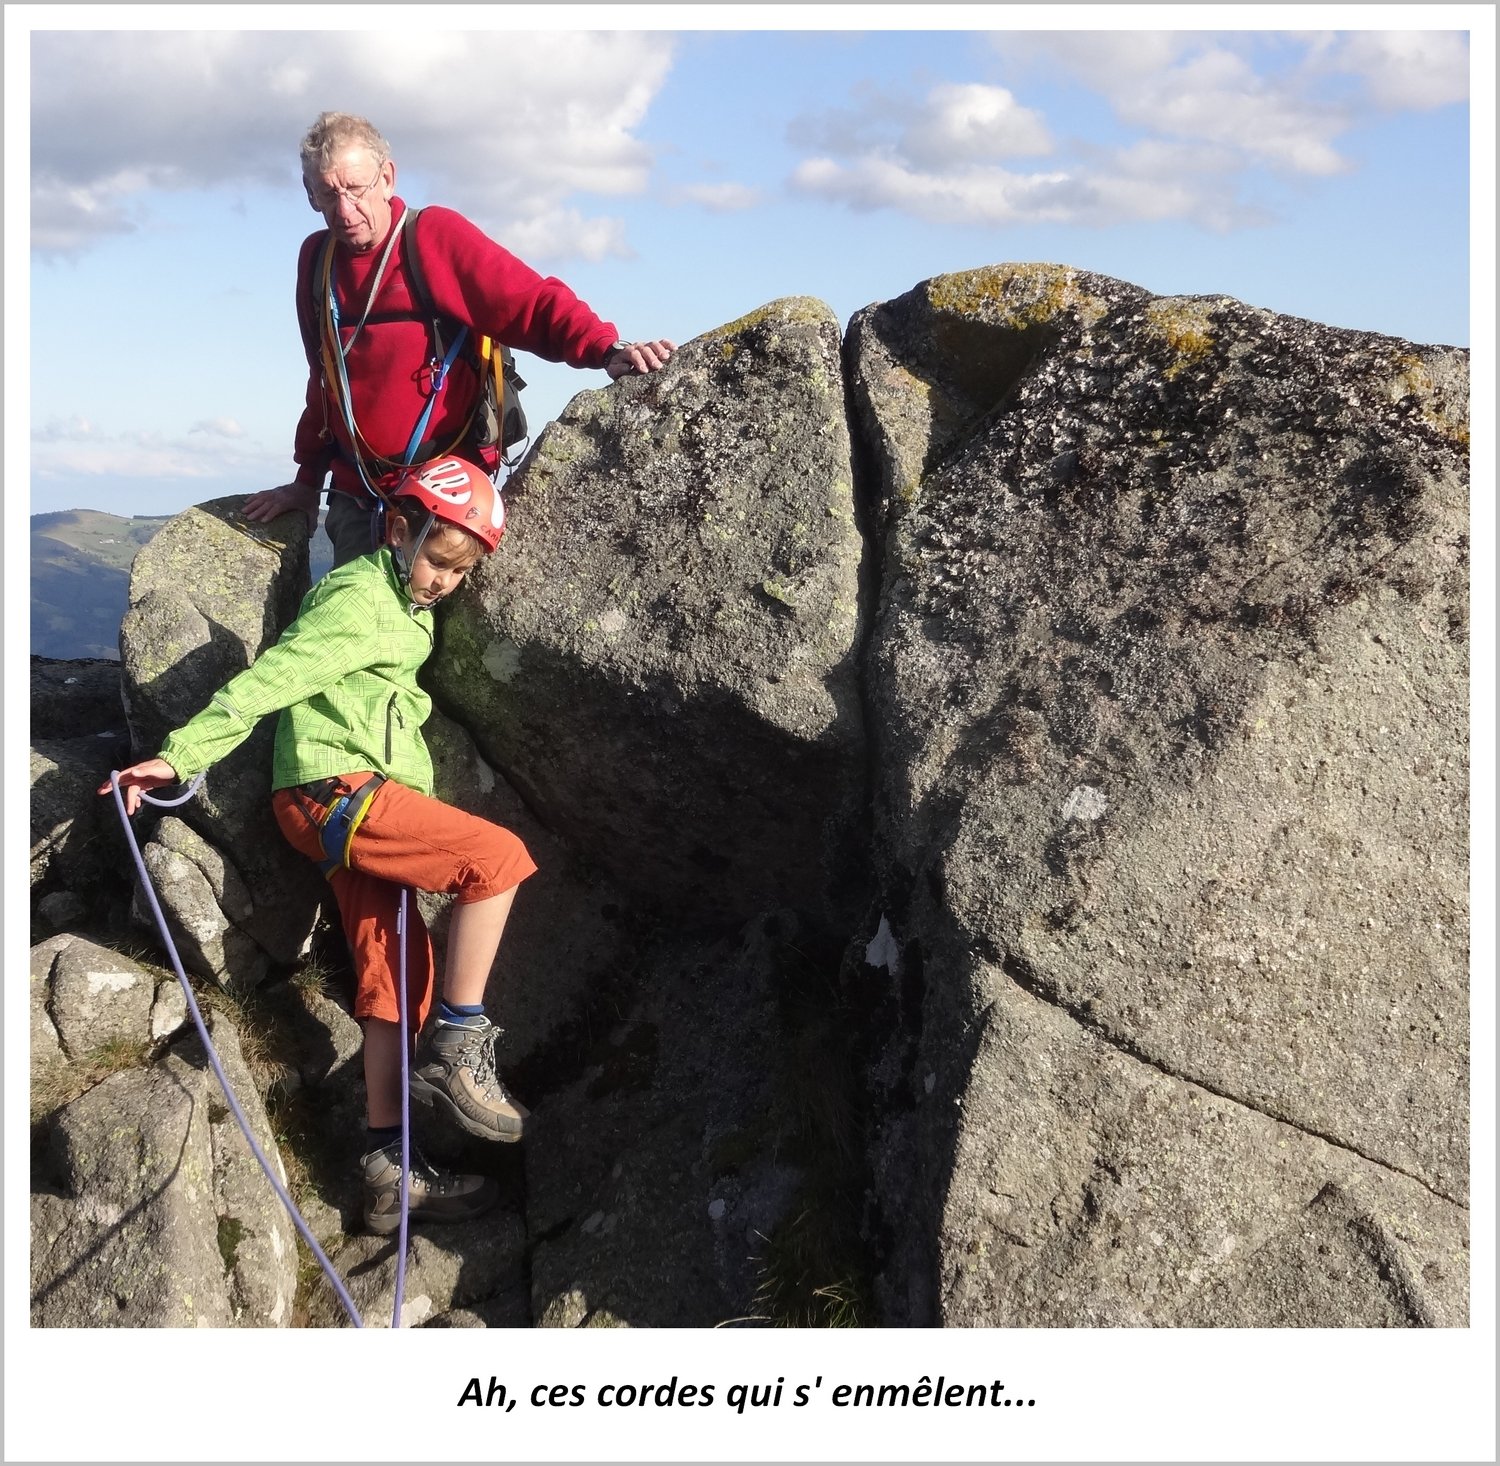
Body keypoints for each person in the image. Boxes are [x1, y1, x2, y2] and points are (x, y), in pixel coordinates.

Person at [104, 458, 536, 1235]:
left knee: (393, 979)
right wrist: (181, 755)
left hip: (354, 801)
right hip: (336, 791)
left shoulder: (405, 603)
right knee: (497, 860)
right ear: (398, 531)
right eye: (439, 561)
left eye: (459, 572)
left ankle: (387, 1171)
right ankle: (458, 1040)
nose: (443, 583)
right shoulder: (360, 595)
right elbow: (274, 677)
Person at [243, 111, 674, 566]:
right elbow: (327, 380)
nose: (345, 210)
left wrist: (605, 347)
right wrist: (307, 482)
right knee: (356, 628)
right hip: (358, 496)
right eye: (329, 194)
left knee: (433, 636)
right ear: (310, 195)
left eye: (356, 188)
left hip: (446, 496)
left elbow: (530, 302)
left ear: (387, 178)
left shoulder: (433, 238)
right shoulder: (317, 261)